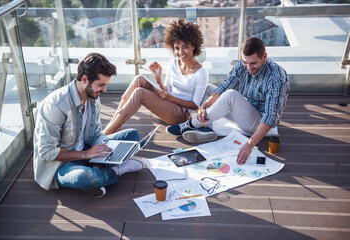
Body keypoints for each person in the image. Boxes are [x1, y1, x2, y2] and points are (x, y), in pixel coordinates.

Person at [33, 52, 144, 198]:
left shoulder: (92, 96)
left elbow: (96, 134)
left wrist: (106, 148)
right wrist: (85, 154)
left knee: (132, 135)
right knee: (86, 178)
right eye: (101, 85)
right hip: (61, 164)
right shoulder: (55, 105)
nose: (104, 90)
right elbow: (46, 152)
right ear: (84, 79)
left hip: (88, 151)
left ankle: (100, 168)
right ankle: (116, 170)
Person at [166, 37, 290, 165]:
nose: (248, 68)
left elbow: (270, 116)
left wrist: (249, 144)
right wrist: (204, 106)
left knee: (231, 96)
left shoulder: (276, 77)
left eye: (253, 64)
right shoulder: (244, 64)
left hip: (260, 122)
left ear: (264, 56)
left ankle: (192, 123)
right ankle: (206, 127)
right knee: (209, 88)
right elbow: (224, 86)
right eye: (245, 63)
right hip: (247, 109)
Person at [103, 19, 209, 135]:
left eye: (185, 47)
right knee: (139, 79)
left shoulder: (201, 73)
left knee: (140, 93)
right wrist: (158, 79)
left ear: (194, 45)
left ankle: (108, 132)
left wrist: (170, 98)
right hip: (168, 103)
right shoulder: (174, 63)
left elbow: (195, 105)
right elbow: (166, 90)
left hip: (180, 115)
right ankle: (114, 125)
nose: (180, 52)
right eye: (177, 48)